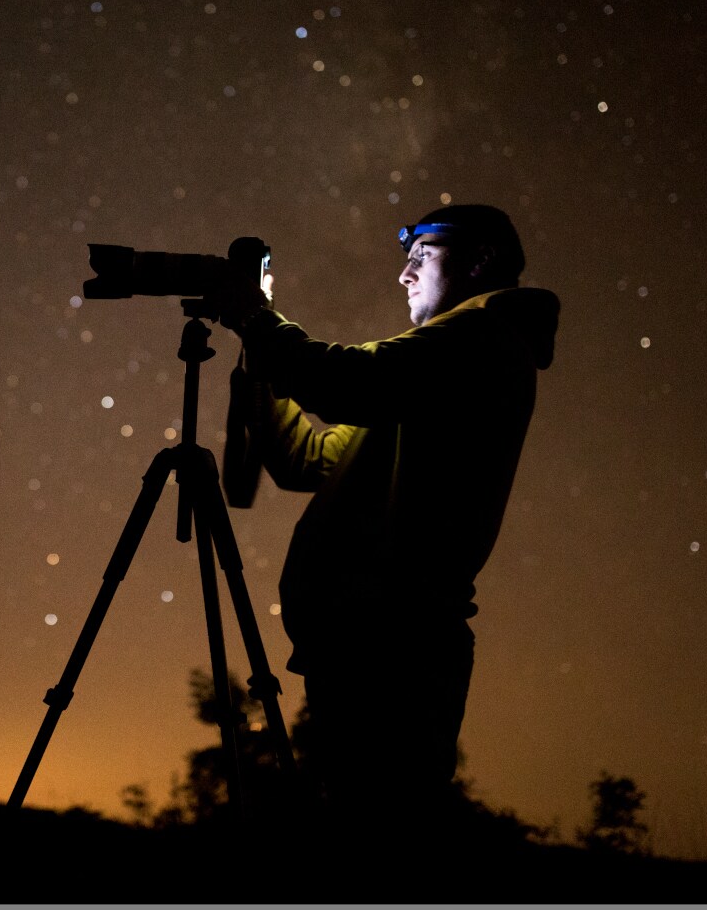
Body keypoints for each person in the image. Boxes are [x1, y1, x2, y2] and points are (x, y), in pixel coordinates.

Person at [217, 204, 559, 863]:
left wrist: (259, 321)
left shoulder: (483, 338)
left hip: (394, 647)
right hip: (363, 643)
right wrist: (257, 350)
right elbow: (308, 460)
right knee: (357, 835)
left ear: (480, 261)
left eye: (422, 258)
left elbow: (348, 381)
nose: (403, 276)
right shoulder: (431, 367)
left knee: (380, 844)